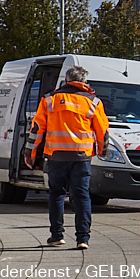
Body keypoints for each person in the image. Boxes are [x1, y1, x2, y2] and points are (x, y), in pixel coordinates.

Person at [26, 66, 109, 249]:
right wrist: (102, 151)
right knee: (82, 197)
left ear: (66, 80)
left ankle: (56, 236)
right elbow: (102, 131)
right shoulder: (93, 102)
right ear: (84, 82)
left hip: (56, 157)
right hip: (81, 157)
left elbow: (37, 130)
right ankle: (83, 239)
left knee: (56, 195)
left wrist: (30, 154)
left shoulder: (49, 100)